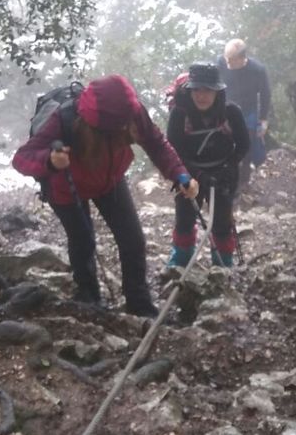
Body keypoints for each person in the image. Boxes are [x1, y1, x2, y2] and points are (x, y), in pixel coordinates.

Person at [12, 75, 199, 317]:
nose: (125, 130)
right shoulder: (63, 119)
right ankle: (89, 297)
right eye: (119, 128)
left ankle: (139, 303)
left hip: (110, 179)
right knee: (83, 241)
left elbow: (156, 143)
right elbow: (22, 158)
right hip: (66, 186)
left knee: (133, 239)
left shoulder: (131, 111)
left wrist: (180, 175)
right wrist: (50, 160)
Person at [166, 62, 250, 269]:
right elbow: (174, 151)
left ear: (217, 91)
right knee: (184, 218)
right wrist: (196, 175)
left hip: (223, 174)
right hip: (188, 173)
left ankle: (222, 265)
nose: (201, 96)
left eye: (208, 90)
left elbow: (244, 144)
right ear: (190, 90)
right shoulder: (179, 115)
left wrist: (229, 168)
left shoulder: (231, 112)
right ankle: (181, 261)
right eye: (197, 90)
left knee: (221, 222)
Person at [215, 38, 272, 192]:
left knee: (246, 147)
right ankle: (222, 179)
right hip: (225, 111)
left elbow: (265, 94)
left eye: (231, 59)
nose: (227, 61)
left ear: (241, 58)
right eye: (226, 57)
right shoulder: (220, 63)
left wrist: (263, 119)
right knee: (223, 145)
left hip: (248, 112)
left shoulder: (257, 70)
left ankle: (243, 183)